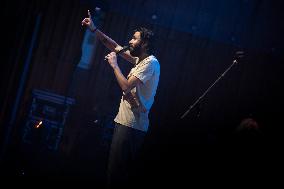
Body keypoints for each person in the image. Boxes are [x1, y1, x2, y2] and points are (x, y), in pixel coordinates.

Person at [82, 10, 160, 187]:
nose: (130, 41)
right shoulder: (140, 60)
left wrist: (114, 65)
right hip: (126, 123)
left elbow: (125, 86)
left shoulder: (150, 63)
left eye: (134, 38)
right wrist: (94, 30)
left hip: (132, 125)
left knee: (117, 174)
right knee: (114, 171)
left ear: (145, 43)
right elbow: (113, 45)